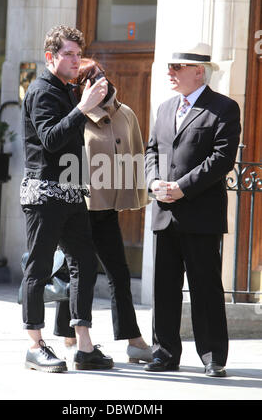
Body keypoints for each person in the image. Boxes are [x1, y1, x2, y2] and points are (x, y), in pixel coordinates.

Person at [20, 25, 114, 372]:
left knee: (85, 264)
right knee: (39, 267)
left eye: (78, 54)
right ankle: (35, 344)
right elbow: (51, 139)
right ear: (51, 57)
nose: (76, 61)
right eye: (68, 55)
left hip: (72, 191)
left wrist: (93, 91)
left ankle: (83, 344)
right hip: (44, 193)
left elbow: (103, 102)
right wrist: (82, 108)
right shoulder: (42, 91)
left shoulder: (69, 88)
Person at [144, 43, 241, 377]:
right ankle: (164, 353)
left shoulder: (224, 108)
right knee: (164, 288)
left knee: (205, 287)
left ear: (199, 71)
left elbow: (222, 159)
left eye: (177, 67)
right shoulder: (165, 107)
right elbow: (151, 150)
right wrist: (154, 182)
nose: (170, 72)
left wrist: (181, 187)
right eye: (170, 67)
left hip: (201, 214)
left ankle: (213, 356)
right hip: (164, 213)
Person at [53, 58, 153, 363]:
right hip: (77, 207)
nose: (98, 82)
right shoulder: (75, 115)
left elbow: (135, 153)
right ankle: (70, 336)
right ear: (80, 86)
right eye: (89, 78)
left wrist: (130, 194)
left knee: (119, 273)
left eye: (100, 75)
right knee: (74, 272)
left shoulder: (125, 114)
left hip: (105, 208)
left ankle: (133, 339)